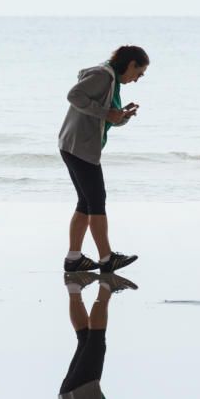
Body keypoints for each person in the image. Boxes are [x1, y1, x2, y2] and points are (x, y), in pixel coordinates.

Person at [59, 46, 149, 273]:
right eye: (139, 73)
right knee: (97, 202)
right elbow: (74, 96)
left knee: (86, 202)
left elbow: (107, 116)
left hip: (74, 145)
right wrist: (107, 112)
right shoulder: (103, 75)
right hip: (80, 147)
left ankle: (74, 258)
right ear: (131, 64)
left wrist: (122, 115)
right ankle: (107, 258)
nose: (137, 79)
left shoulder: (112, 82)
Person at [58, 272, 138, 399]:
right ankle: (74, 286)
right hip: (69, 397)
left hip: (82, 395)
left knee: (96, 342)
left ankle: (106, 287)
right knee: (85, 338)